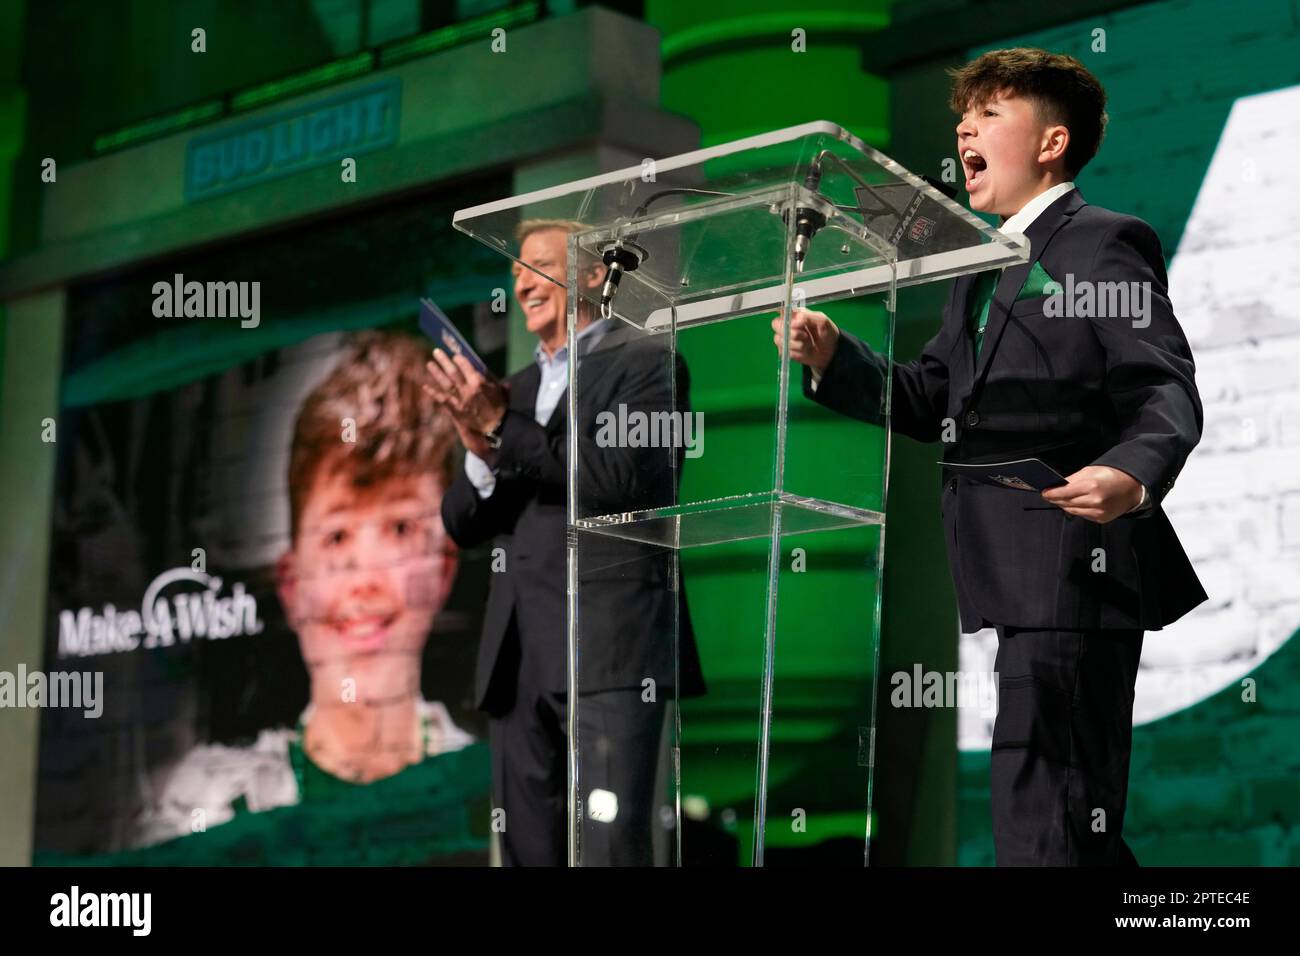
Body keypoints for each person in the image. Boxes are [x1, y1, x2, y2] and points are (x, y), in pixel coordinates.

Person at [775, 48, 1206, 866]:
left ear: (1052, 142)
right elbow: (936, 397)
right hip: (1012, 577)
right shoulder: (976, 273)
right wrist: (837, 359)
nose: (965, 128)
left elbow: (1163, 385)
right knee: (1044, 816)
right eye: (962, 118)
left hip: (1078, 563)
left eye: (993, 112)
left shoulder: (1103, 242)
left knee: (1056, 815)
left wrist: (1135, 471)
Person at [426, 218, 705, 866]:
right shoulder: (514, 390)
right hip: (518, 652)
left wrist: (503, 428)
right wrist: (478, 451)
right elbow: (464, 522)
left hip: (607, 647)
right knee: (528, 851)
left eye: (539, 265)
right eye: (517, 269)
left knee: (609, 847)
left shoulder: (649, 362)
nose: (521, 281)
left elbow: (625, 477)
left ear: (592, 274)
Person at [134, 331, 479, 852]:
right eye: (338, 536)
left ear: (444, 569)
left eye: (402, 530)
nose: (366, 576)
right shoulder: (203, 807)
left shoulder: (487, 791)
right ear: (292, 585)